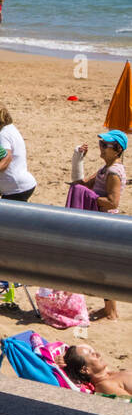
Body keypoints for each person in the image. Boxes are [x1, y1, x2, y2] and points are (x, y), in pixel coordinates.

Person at [72, 129, 125, 319]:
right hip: (101, 221)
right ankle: (110, 309)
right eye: (101, 144)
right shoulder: (105, 169)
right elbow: (81, 183)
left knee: (104, 268)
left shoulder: (113, 172)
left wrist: (92, 197)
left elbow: (113, 201)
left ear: (117, 149)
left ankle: (111, 311)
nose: (101, 148)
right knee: (102, 267)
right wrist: (78, 157)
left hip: (106, 224)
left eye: (105, 145)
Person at [0, 103, 36, 202]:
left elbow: (6, 157)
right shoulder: (11, 129)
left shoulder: (3, 135)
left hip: (15, 188)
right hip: (23, 184)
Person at [62, 345, 132, 396]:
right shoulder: (105, 385)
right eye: (92, 354)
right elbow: (127, 407)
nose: (98, 354)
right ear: (85, 369)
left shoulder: (110, 375)